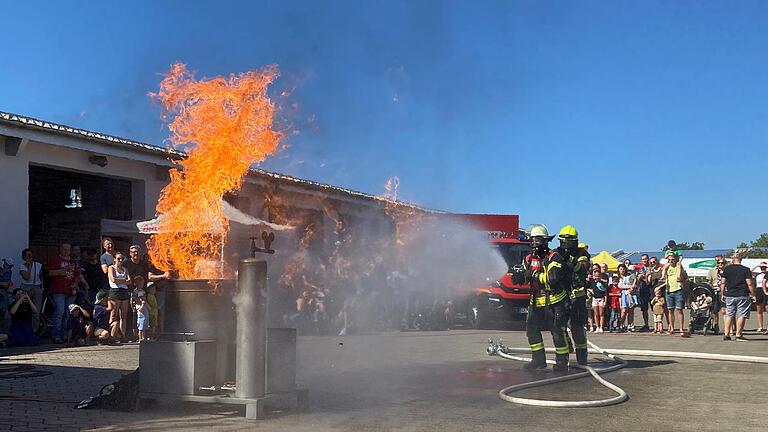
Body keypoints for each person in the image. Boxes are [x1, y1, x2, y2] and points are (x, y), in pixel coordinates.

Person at [517, 225, 570, 372]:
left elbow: (553, 278)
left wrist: (534, 276)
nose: (534, 244)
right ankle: (538, 360)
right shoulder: (528, 258)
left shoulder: (554, 257)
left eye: (538, 240)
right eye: (532, 240)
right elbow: (524, 272)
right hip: (536, 302)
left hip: (555, 302)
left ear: (546, 241)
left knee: (557, 332)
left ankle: (562, 362)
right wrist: (519, 276)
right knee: (532, 331)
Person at [556, 225, 589, 365]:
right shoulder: (556, 253)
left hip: (577, 296)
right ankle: (563, 358)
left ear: (575, 241)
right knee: (559, 326)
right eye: (562, 241)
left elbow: (582, 269)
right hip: (561, 295)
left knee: (577, 328)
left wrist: (570, 260)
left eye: (568, 241)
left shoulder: (582, 254)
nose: (565, 245)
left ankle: (582, 359)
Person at [720, 253, 756, 341]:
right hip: (742, 294)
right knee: (742, 314)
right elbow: (750, 283)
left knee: (729, 314)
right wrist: (753, 294)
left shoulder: (727, 269)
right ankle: (738, 334)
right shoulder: (746, 270)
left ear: (733, 258)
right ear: (741, 259)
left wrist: (722, 293)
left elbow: (723, 282)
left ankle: (726, 334)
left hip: (730, 294)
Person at [48, 243, 79, 343]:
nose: (66, 251)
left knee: (68, 313)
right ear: (60, 249)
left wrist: (75, 283)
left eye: (68, 249)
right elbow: (51, 273)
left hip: (70, 290)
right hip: (58, 290)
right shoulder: (55, 260)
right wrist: (65, 269)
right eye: (64, 249)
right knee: (59, 312)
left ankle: (65, 335)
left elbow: (77, 275)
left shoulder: (73, 261)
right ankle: (56, 335)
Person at [107, 251, 132, 342]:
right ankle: (111, 335)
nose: (120, 260)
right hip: (115, 292)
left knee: (123, 316)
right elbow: (113, 280)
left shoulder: (125, 269)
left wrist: (121, 281)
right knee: (113, 315)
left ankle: (123, 335)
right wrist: (124, 280)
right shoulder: (111, 268)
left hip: (124, 292)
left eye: (122, 259)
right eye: (118, 258)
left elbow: (129, 281)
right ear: (114, 259)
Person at [661, 251, 686, 335]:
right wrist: (663, 276)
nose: (671, 261)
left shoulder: (678, 266)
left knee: (679, 310)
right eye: (669, 260)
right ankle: (671, 327)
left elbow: (685, 276)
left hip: (678, 290)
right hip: (669, 291)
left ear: (675, 259)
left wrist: (681, 278)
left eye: (672, 259)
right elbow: (663, 272)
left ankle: (681, 328)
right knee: (670, 310)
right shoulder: (666, 267)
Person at [19, 248, 44, 333]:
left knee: (36, 310)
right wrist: (29, 266)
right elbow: (26, 277)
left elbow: (41, 276)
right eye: (27, 255)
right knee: (23, 308)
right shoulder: (22, 266)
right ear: (23, 257)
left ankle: (34, 331)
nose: (29, 256)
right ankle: (23, 328)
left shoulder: (38, 265)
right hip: (26, 287)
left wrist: (42, 286)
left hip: (36, 287)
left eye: (30, 255)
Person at [633, 254, 653, 332]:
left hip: (651, 289)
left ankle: (657, 325)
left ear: (648, 259)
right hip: (643, 290)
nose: (644, 260)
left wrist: (644, 277)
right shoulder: (641, 269)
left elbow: (651, 279)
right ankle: (646, 324)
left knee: (654, 308)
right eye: (642, 259)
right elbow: (637, 279)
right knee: (644, 309)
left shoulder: (652, 268)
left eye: (645, 259)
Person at [617, 264, 638, 331]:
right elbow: (620, 286)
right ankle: (621, 324)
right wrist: (630, 286)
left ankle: (630, 325)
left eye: (623, 269)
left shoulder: (630, 276)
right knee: (624, 310)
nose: (622, 270)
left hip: (631, 293)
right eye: (620, 269)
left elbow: (635, 283)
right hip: (623, 294)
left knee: (631, 310)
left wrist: (633, 287)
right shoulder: (618, 277)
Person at [750, 262, 768, 332]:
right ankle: (760, 326)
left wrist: (766, 265)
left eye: (764, 267)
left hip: (766, 288)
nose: (762, 268)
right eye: (761, 267)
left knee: (767, 308)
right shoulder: (757, 274)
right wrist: (757, 265)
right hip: (759, 290)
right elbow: (750, 271)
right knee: (759, 309)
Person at [589, 267, 607, 332]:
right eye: (596, 276)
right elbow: (587, 281)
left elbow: (605, 292)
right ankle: (597, 326)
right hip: (595, 299)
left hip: (601, 298)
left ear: (601, 276)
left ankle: (601, 327)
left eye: (598, 276)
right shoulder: (592, 282)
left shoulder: (603, 283)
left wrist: (605, 301)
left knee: (601, 313)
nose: (597, 277)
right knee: (596, 313)